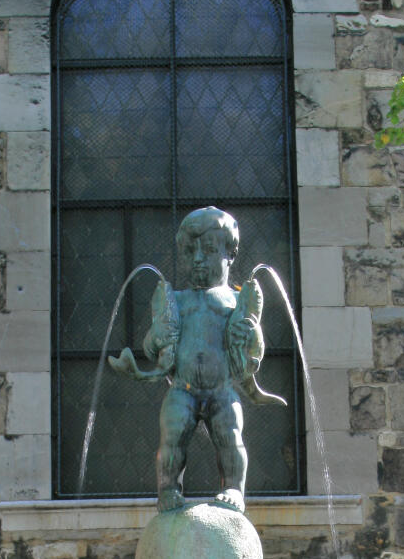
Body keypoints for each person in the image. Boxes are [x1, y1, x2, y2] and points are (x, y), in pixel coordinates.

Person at [109, 206, 284, 512]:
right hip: (182, 389)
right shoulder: (177, 300)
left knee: (231, 437)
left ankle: (233, 488)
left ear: (230, 253)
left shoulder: (235, 300)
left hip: (223, 391)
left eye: (209, 250)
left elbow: (253, 347)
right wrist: (155, 341)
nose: (198, 259)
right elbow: (152, 344)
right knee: (172, 436)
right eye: (190, 252)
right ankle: (168, 490)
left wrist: (253, 345)